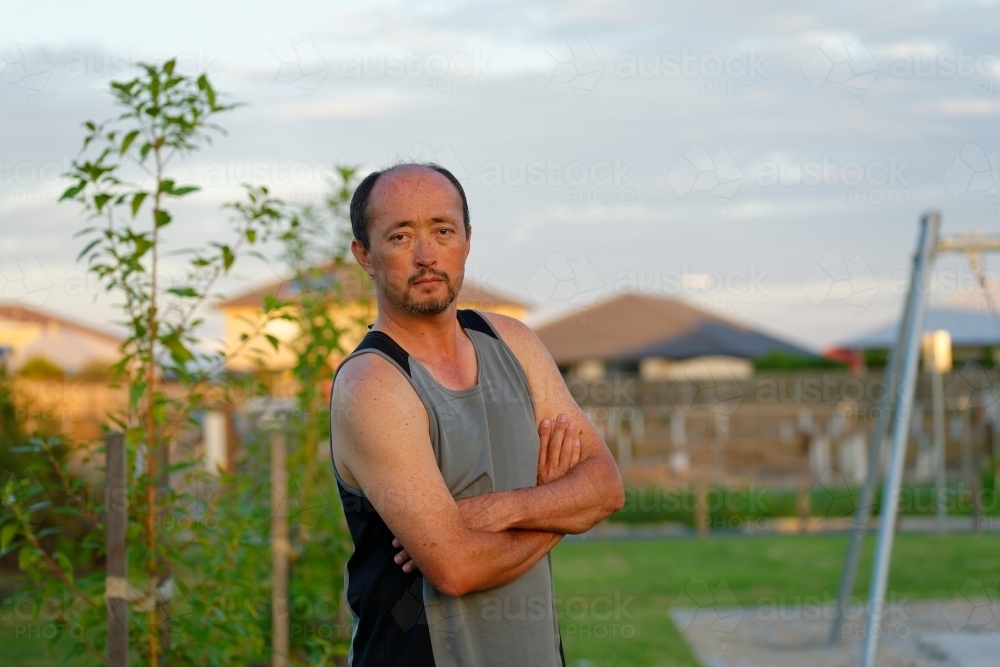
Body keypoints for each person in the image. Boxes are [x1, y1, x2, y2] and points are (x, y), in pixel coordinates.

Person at [328, 161, 625, 667]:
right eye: (400, 237)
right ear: (365, 255)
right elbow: (457, 569)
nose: (426, 255)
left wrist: (500, 509)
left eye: (442, 231)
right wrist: (560, 510)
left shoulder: (513, 342)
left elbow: (605, 488)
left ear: (467, 239)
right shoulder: (373, 385)